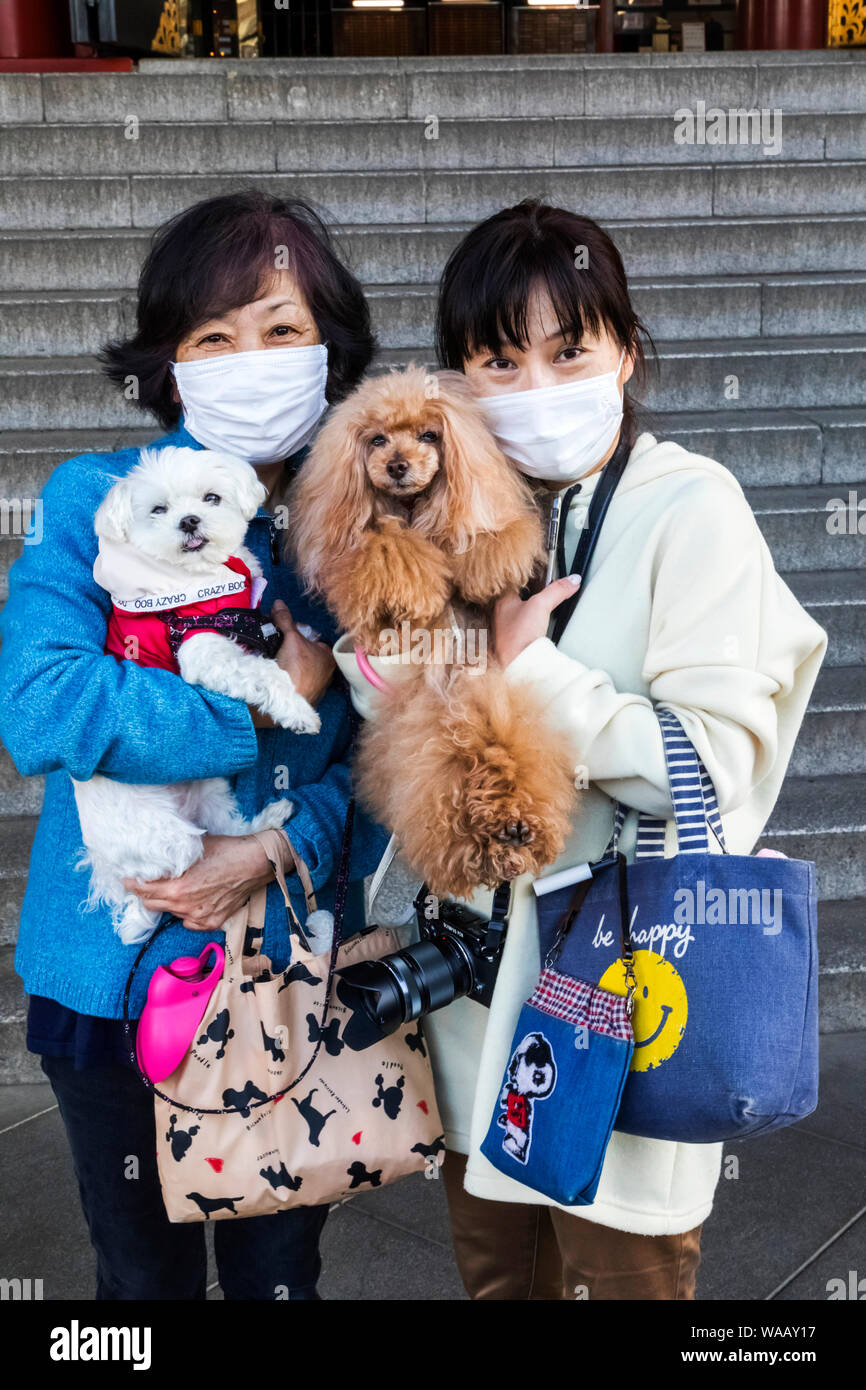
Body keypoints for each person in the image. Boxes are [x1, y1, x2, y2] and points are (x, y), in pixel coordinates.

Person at [421, 199, 828, 1300]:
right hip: (475, 1015)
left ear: (624, 352)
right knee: (498, 1282)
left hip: (631, 990)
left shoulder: (689, 507)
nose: (536, 387)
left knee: (619, 1282)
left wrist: (534, 676)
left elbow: (711, 762)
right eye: (498, 359)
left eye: (568, 350)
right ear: (456, 379)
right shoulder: (458, 516)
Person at [0, 190, 387, 1301]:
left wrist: (269, 851)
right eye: (214, 336)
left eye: (281, 329)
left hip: (293, 967)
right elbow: (43, 706)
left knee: (280, 1277)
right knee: (140, 1283)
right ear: (169, 363)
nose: (249, 358)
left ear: (330, 350)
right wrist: (265, 700)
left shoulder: (367, 521)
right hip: (115, 975)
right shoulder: (98, 500)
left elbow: (388, 758)